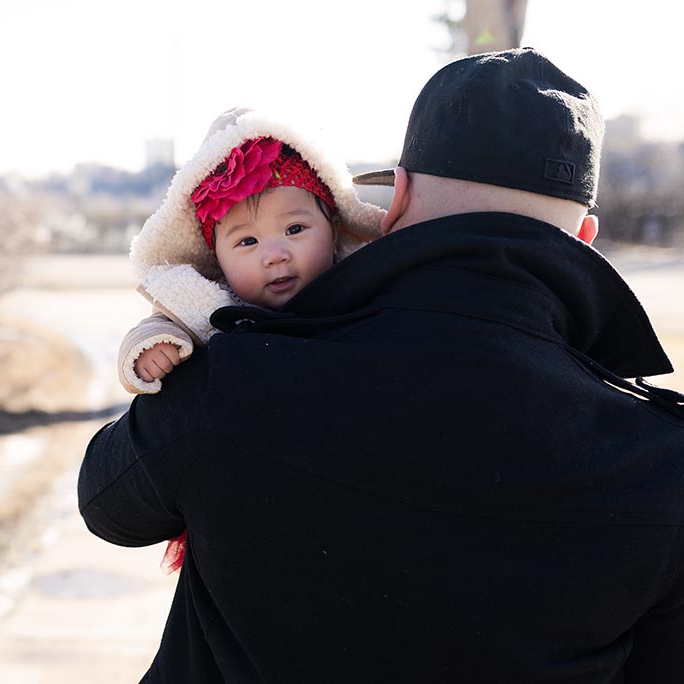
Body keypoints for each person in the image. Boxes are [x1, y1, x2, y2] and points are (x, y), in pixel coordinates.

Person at [79, 48, 684, 683]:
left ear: (395, 199)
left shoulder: (239, 376)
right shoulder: (662, 464)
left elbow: (109, 506)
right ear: (583, 235)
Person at [116, 107, 386, 573]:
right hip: (248, 510)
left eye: (295, 229)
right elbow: (155, 326)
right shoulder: (205, 307)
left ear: (336, 227)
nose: (275, 255)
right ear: (216, 259)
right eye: (247, 242)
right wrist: (152, 349)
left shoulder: (364, 291)